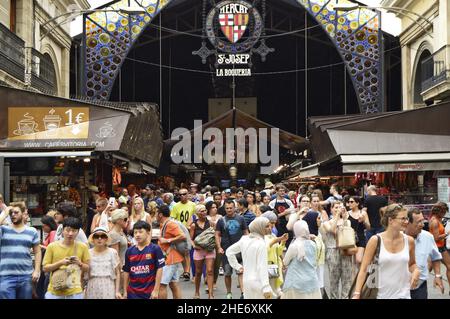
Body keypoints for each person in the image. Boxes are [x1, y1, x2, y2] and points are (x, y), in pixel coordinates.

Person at [352, 204, 420, 299]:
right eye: (403, 218)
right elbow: (363, 269)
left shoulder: (409, 241)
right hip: (380, 295)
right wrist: (357, 293)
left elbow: (412, 264)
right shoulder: (375, 240)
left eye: (407, 218)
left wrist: (416, 271)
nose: (406, 222)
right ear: (390, 220)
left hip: (403, 295)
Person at [0, 203, 41, 299]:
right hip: (6, 276)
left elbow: (37, 252)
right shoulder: (3, 230)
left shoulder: (32, 231)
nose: (13, 214)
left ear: (23, 214)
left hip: (26, 276)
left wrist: (37, 270)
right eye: (11, 213)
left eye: (16, 212)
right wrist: (5, 213)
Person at [226, 217, 273, 299]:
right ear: (259, 227)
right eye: (266, 226)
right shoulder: (261, 244)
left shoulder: (244, 239)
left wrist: (237, 266)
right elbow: (262, 266)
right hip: (258, 282)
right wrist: (266, 287)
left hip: (246, 281)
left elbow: (229, 252)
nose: (270, 228)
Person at [43, 217, 90, 299]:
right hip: (55, 290)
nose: (70, 233)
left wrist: (79, 263)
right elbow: (45, 268)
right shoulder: (52, 246)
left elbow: (87, 268)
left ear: (78, 232)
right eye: (68, 230)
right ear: (63, 231)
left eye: (74, 231)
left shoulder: (83, 247)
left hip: (75, 291)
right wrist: (60, 263)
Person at [405, 208, 444, 299]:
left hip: (420, 287)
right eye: (418, 222)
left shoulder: (428, 237)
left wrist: (438, 275)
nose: (422, 225)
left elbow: (435, 257)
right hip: (399, 288)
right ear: (408, 222)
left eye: (423, 221)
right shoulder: (398, 237)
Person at [215, 200, 249, 299]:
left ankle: (243, 293)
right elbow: (217, 234)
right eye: (227, 208)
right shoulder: (221, 220)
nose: (229, 210)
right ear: (224, 208)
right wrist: (219, 247)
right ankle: (229, 293)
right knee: (227, 273)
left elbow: (246, 232)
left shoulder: (241, 218)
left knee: (240, 271)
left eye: (231, 208)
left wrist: (248, 245)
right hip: (226, 250)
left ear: (234, 208)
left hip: (240, 250)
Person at [123, 221, 164, 299]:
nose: (138, 235)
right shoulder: (129, 251)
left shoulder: (155, 249)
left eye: (141, 232)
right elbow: (126, 271)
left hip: (149, 291)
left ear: (148, 233)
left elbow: (160, 269)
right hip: (132, 292)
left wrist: (156, 290)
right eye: (135, 232)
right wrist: (125, 290)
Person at [281, 220, 321, 299]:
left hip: (295, 282)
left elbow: (285, 262)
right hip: (311, 281)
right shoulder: (313, 244)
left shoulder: (294, 246)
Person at [321, 201, 353, 299]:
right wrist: (337, 216)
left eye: (340, 207)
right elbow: (333, 230)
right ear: (331, 209)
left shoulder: (347, 221)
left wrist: (344, 217)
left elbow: (348, 234)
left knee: (347, 280)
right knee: (334, 281)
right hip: (333, 251)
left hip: (345, 251)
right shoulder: (326, 223)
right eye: (336, 207)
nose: (338, 209)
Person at [157, 205, 186, 299]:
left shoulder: (170, 224)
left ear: (160, 214)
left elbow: (182, 236)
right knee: (173, 285)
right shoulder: (165, 223)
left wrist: (167, 241)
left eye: (157, 213)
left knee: (161, 285)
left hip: (170, 258)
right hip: (171, 258)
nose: (155, 215)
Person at [85, 227, 121, 299]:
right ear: (93, 239)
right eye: (96, 236)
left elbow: (118, 273)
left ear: (106, 239)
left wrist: (117, 291)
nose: (99, 238)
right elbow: (84, 273)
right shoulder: (88, 253)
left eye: (103, 236)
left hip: (108, 285)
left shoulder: (112, 252)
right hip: (92, 285)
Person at [190, 204, 216, 299]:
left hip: (209, 250)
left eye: (205, 210)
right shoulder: (193, 225)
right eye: (201, 211)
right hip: (198, 251)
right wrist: (194, 246)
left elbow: (215, 236)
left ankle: (211, 294)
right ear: (197, 213)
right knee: (198, 272)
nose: (204, 212)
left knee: (209, 271)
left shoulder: (211, 223)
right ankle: (197, 292)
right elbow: (191, 239)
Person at [170, 188, 196, 281]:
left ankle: (187, 271)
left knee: (187, 251)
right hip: (179, 231)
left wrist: (191, 226)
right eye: (180, 195)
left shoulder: (193, 205)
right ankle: (186, 271)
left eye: (184, 194)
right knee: (181, 252)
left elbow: (195, 217)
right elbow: (173, 219)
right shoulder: (176, 206)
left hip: (189, 230)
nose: (182, 196)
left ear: (188, 194)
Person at [261, 211, 287, 297]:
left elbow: (278, 252)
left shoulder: (273, 235)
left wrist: (282, 242)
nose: (272, 226)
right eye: (271, 223)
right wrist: (274, 241)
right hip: (266, 267)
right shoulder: (260, 236)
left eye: (274, 223)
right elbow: (263, 251)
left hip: (275, 267)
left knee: (276, 290)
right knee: (269, 292)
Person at [428, 202, 450, 292]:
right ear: (440, 211)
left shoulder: (437, 219)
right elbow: (436, 238)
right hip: (437, 248)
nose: (445, 213)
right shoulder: (435, 221)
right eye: (444, 211)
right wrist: (447, 233)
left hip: (440, 247)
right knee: (427, 269)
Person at [347, 196, 370, 267]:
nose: (349, 204)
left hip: (360, 237)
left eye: (351, 202)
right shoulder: (347, 213)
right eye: (348, 202)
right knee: (351, 263)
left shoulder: (363, 213)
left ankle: (361, 275)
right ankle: (355, 277)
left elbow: (368, 227)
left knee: (359, 260)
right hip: (350, 239)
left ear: (357, 203)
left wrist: (363, 221)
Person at [205, 201, 222, 289]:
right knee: (209, 263)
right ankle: (209, 280)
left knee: (217, 263)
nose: (215, 209)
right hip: (207, 242)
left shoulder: (220, 217)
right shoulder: (205, 217)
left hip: (219, 242)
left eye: (216, 207)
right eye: (213, 207)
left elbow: (222, 229)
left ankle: (214, 281)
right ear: (208, 209)